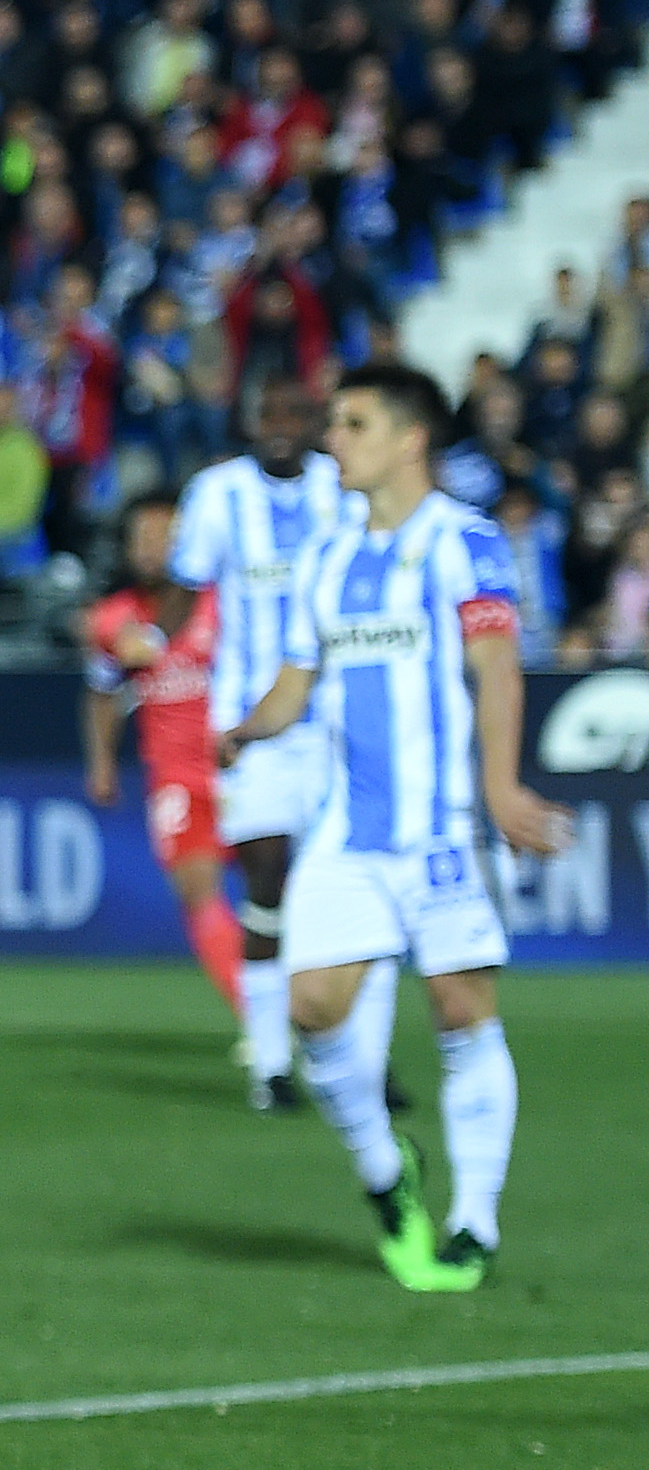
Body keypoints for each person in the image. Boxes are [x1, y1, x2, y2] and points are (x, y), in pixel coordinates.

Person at [217, 363, 571, 1292]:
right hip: (346, 831)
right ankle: (385, 1171)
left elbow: (496, 668)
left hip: (441, 826)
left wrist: (498, 788)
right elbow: (297, 684)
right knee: (312, 1008)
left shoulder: (466, 542)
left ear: (408, 440)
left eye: (352, 423)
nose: (332, 439)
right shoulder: (327, 559)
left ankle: (472, 1226)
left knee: (460, 1010)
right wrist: (243, 729)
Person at [169, 382, 375, 1109]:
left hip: (333, 720)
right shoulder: (214, 494)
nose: (281, 427)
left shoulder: (342, 489)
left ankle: (354, 1061)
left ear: (315, 425)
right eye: (268, 414)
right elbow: (183, 590)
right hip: (246, 724)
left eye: (294, 415)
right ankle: (269, 1064)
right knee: (268, 880)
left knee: (350, 894)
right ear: (249, 420)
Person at [80, 495, 243, 1022]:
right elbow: (103, 692)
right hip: (176, 778)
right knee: (199, 894)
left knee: (280, 896)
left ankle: (298, 1008)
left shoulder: (226, 604)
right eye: (141, 539)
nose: (152, 550)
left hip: (244, 770)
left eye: (165, 537)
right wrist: (102, 763)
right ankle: (261, 1020)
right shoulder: (113, 619)